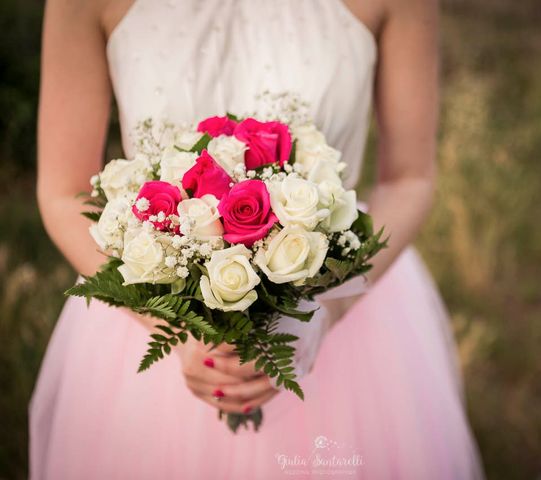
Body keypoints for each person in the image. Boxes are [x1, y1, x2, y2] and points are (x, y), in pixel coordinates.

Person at [32, 0, 484, 478]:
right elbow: (64, 192)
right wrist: (173, 324)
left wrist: (323, 313)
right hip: (149, 325)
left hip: (342, 309)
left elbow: (408, 179)